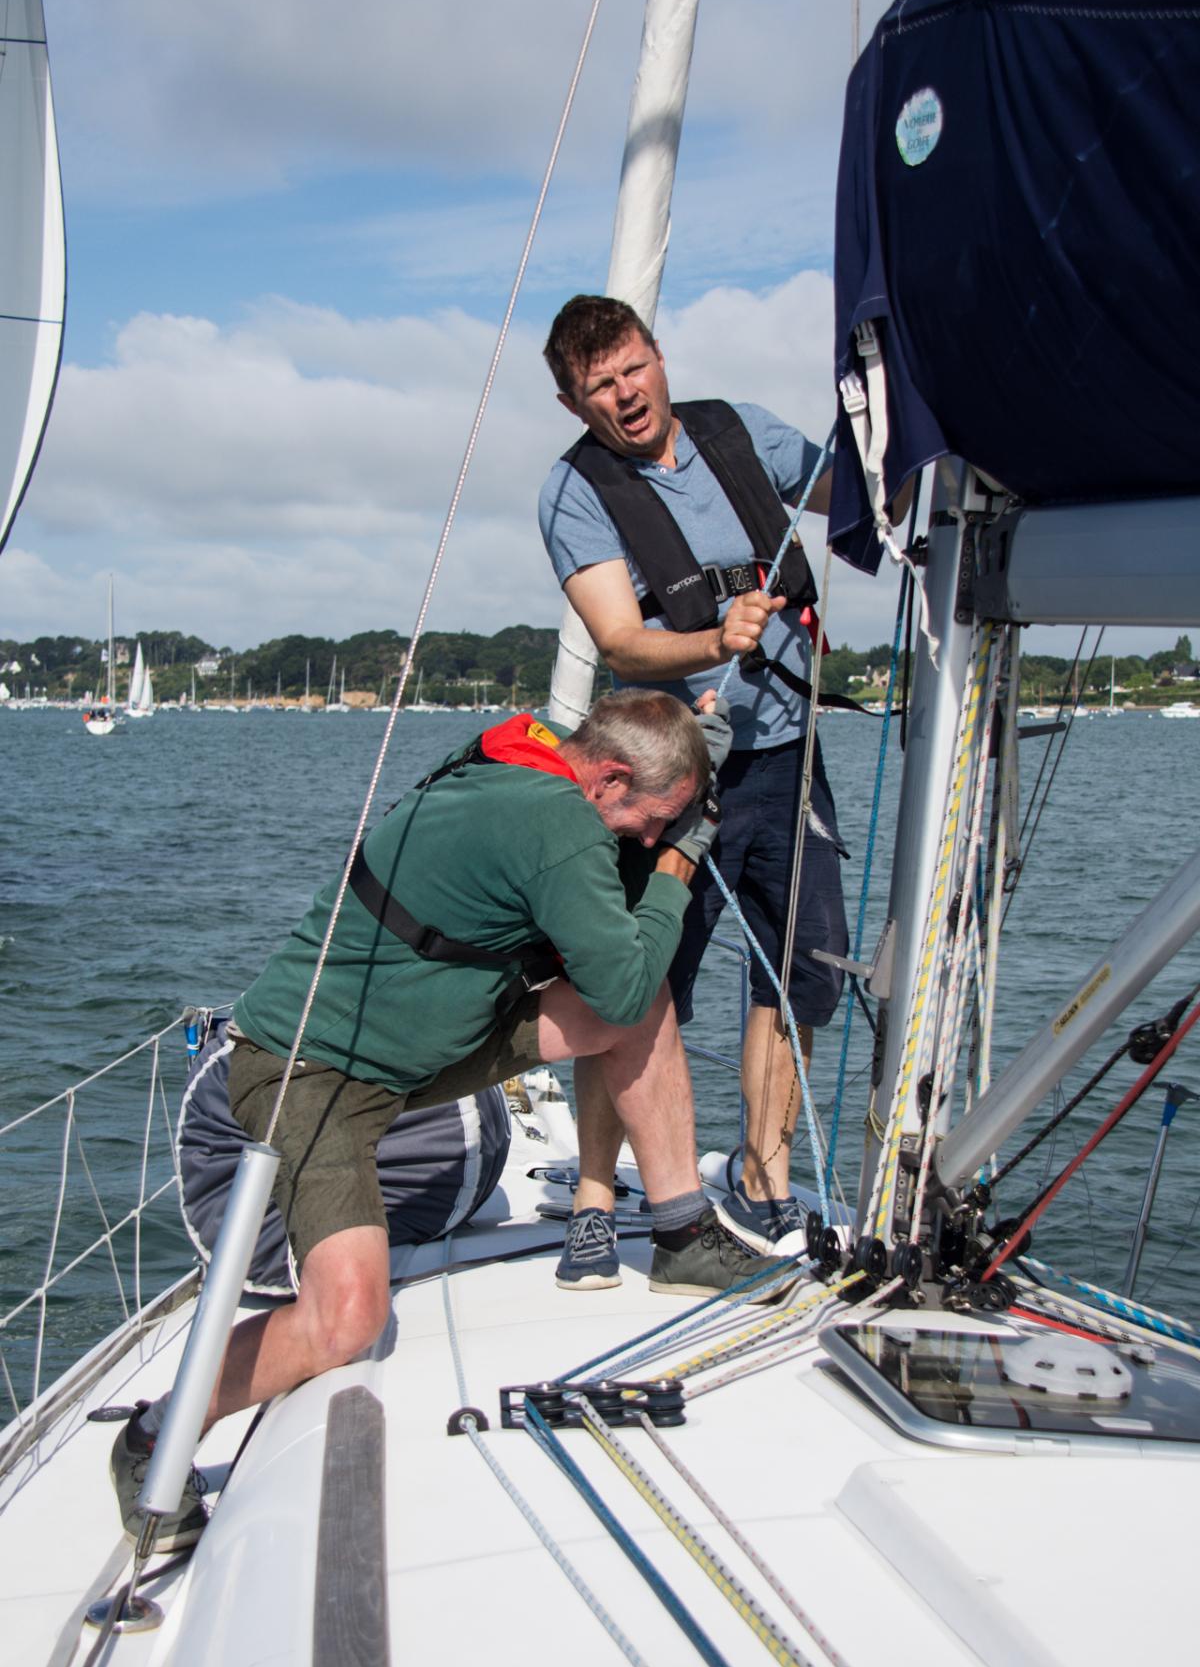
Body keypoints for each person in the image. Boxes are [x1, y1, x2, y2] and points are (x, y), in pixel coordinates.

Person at [111, 688, 784, 1550]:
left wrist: (682, 747)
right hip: (311, 1074)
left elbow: (616, 982)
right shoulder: (556, 822)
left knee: (636, 1003)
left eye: (666, 830)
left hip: (426, 1041)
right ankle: (155, 1432)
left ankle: (682, 1229)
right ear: (610, 777)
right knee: (346, 1319)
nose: (651, 838)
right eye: (653, 820)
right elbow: (616, 980)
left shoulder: (525, 757)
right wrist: (678, 869)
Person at [539, 294, 850, 1279]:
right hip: (672, 773)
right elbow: (622, 638)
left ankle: (764, 1178)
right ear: (573, 402)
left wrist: (889, 422)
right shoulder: (575, 492)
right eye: (600, 386)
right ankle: (596, 1196)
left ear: (658, 356)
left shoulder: (739, 431)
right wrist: (716, 637)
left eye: (633, 368)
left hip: (788, 754)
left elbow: (847, 488)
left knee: (800, 970)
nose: (626, 394)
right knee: (635, 988)